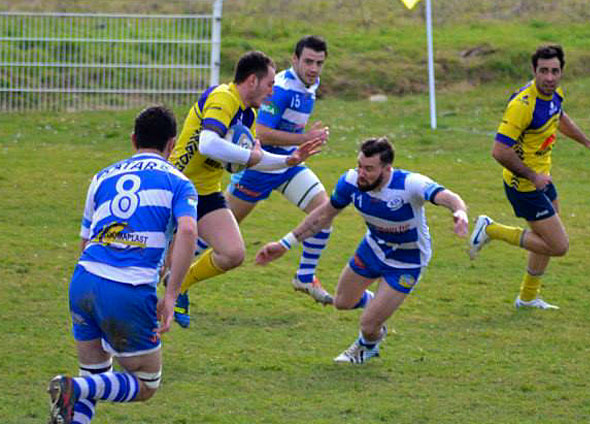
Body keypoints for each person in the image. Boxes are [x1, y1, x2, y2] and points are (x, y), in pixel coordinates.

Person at [47, 106, 198, 424]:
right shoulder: (179, 183)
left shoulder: (101, 177)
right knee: (146, 382)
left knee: (97, 378)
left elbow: (85, 242)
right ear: (172, 144)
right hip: (126, 289)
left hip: (83, 281)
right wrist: (171, 296)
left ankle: (77, 390)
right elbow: (187, 231)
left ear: (133, 139)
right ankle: (73, 387)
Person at [256, 137, 469, 364]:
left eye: (369, 169)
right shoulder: (350, 182)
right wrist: (284, 244)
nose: (361, 173)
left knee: (368, 326)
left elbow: (450, 197)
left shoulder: (409, 185)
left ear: (387, 169)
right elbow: (322, 216)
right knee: (341, 302)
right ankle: (378, 305)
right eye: (359, 166)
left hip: (407, 261)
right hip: (373, 248)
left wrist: (460, 213)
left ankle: (367, 346)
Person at [167, 51, 323, 328]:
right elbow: (207, 143)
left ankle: (179, 287)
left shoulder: (248, 115)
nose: (273, 91)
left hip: (205, 192)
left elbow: (254, 158)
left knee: (233, 253)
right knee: (154, 262)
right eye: (270, 84)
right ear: (252, 80)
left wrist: (289, 160)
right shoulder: (223, 97)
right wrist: (248, 157)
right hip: (174, 187)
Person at [469, 45, 590, 310]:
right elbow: (499, 151)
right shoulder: (523, 106)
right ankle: (490, 229)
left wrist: (587, 142)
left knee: (543, 241)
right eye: (544, 71)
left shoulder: (555, 95)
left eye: (555, 71)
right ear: (534, 71)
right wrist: (532, 175)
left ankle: (528, 297)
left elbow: (560, 117)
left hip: (543, 178)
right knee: (558, 245)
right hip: (524, 185)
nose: (550, 77)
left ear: (561, 72)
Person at [226, 35, 333, 305]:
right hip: (260, 167)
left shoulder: (311, 83)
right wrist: (306, 138)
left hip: (289, 165)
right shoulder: (282, 89)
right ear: (294, 60)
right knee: (219, 234)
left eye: (319, 63)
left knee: (324, 212)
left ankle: (305, 276)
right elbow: (262, 132)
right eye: (308, 61)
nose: (313, 68)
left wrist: (302, 142)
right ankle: (172, 275)